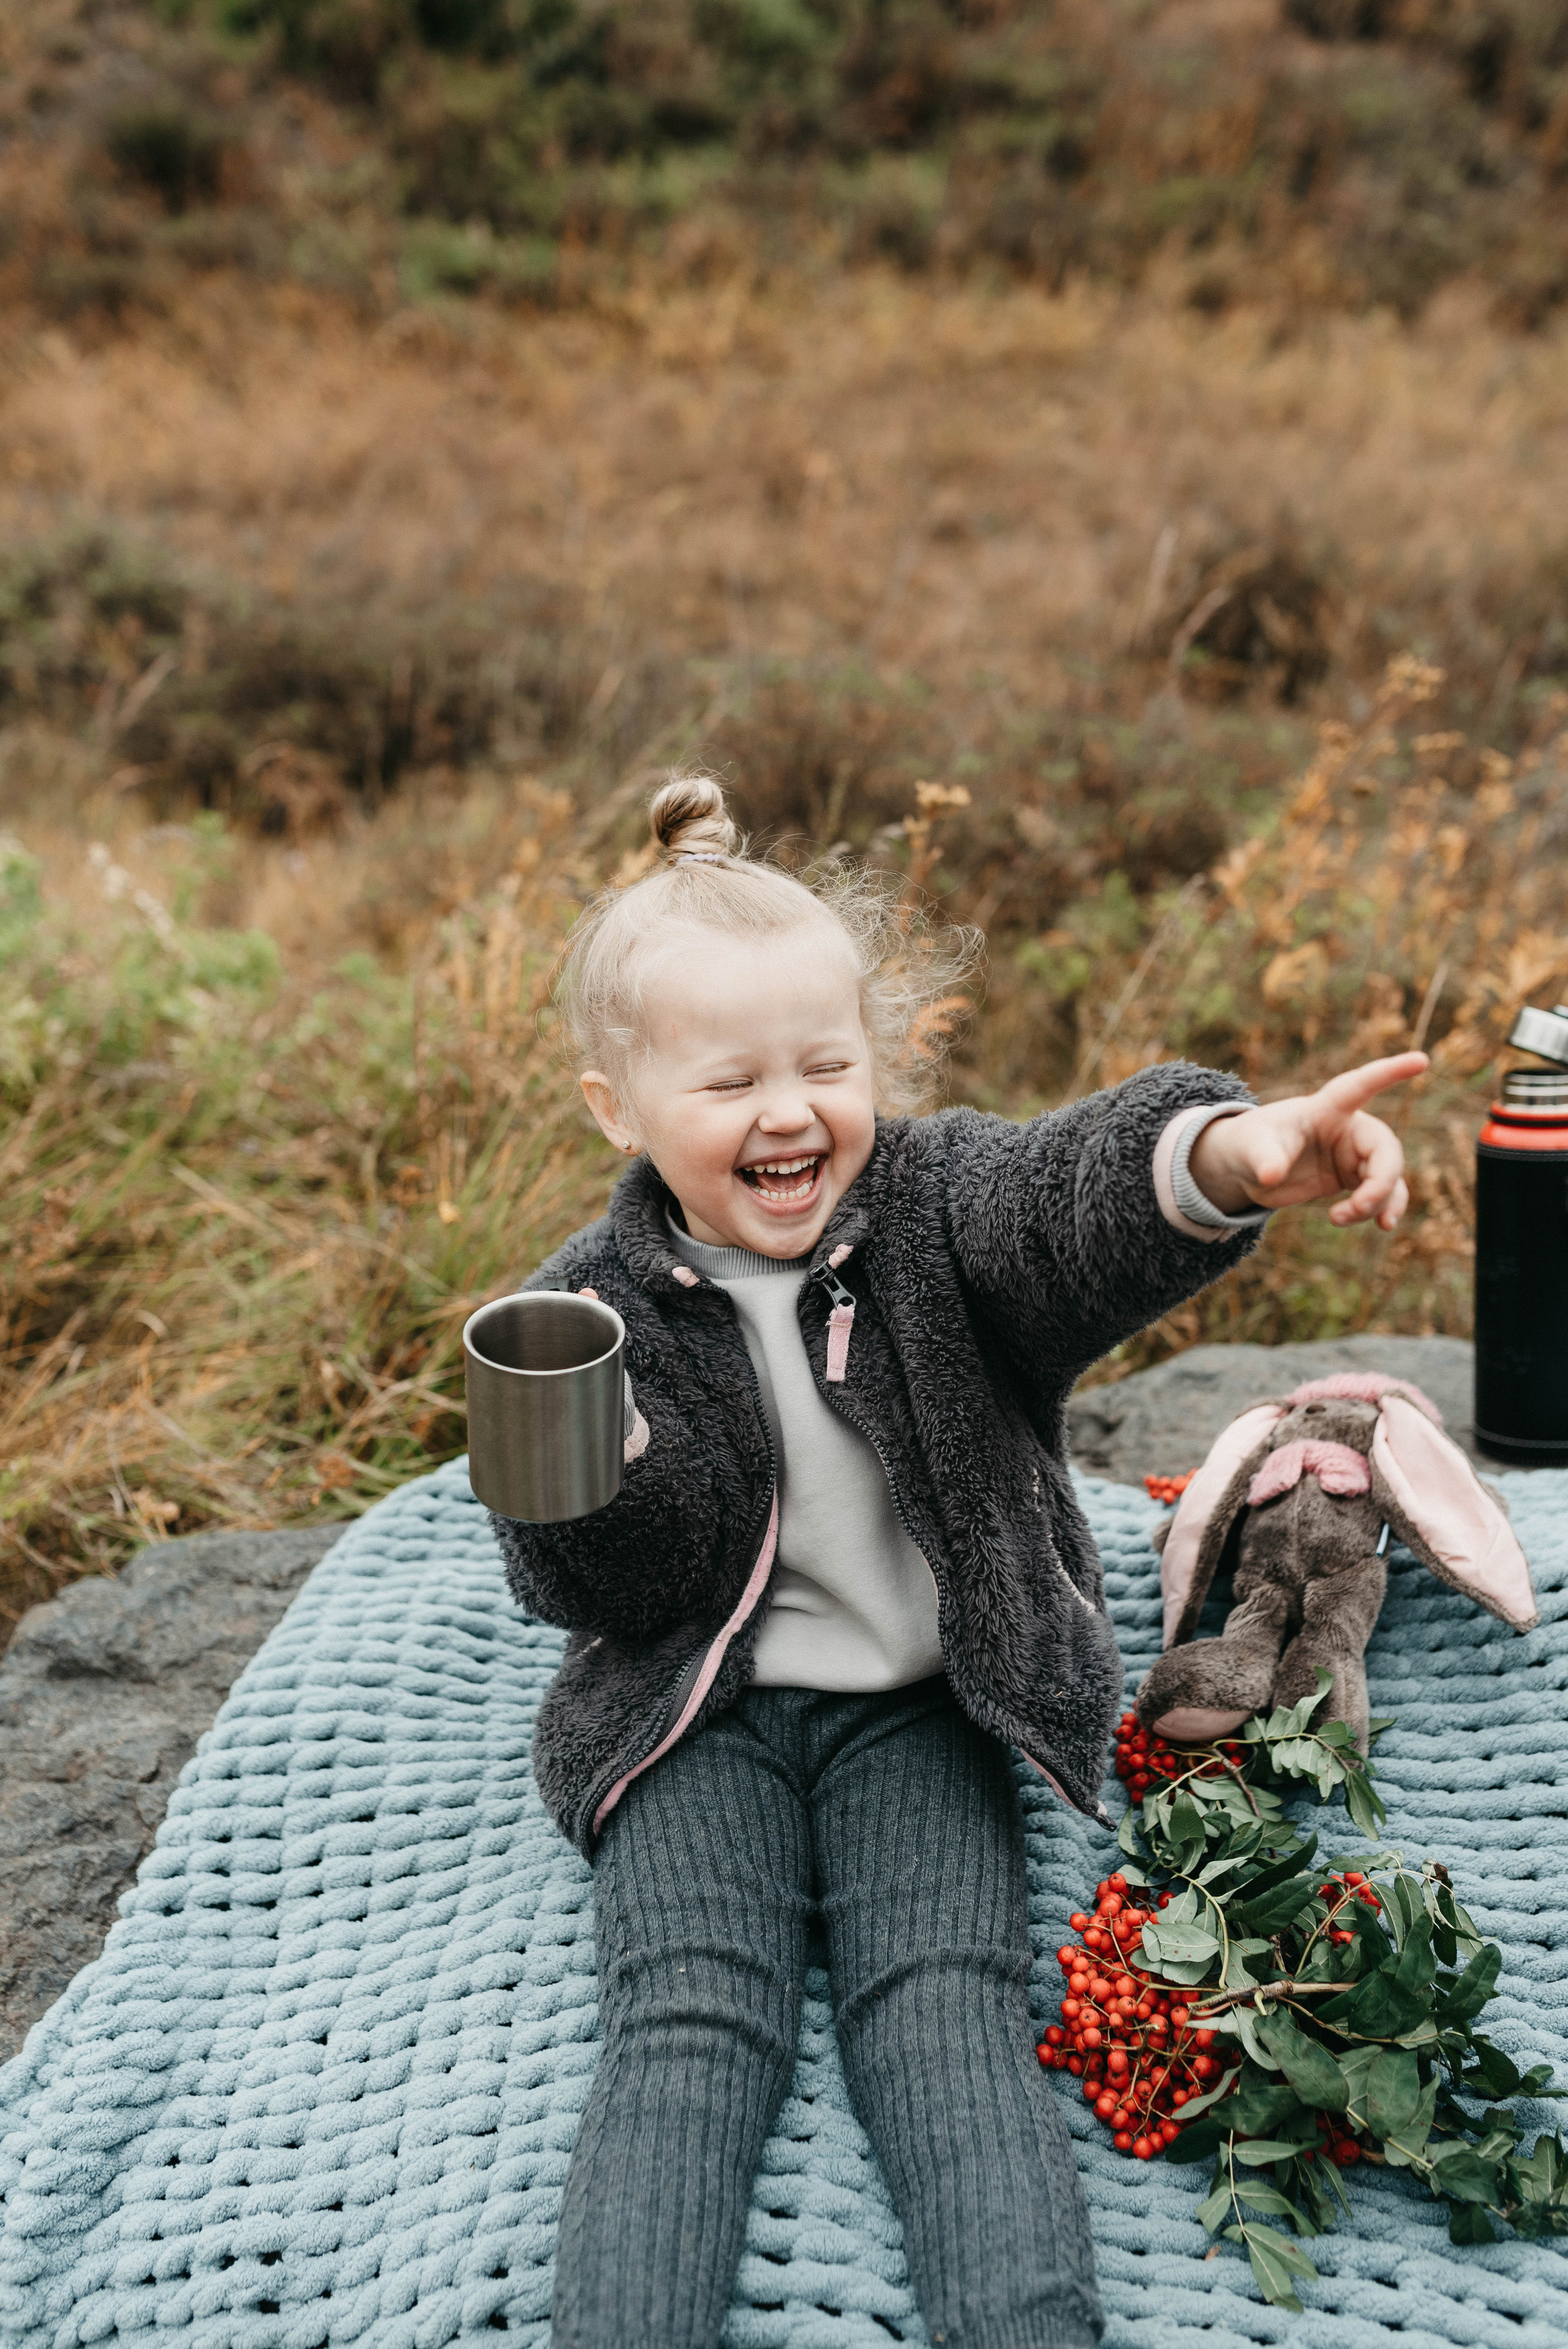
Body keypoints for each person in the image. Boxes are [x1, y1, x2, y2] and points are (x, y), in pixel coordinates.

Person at [494, 774, 1426, 2349]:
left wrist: (1232, 1154)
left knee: (945, 2007)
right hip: (688, 1718)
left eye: (825, 1066)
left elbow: (1068, 1204)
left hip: (924, 1704)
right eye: (727, 1083)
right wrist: (596, 1475)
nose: (787, 1114)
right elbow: (596, 1593)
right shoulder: (593, 1310)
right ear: (618, 1109)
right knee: (686, 2021)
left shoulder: (932, 1216)